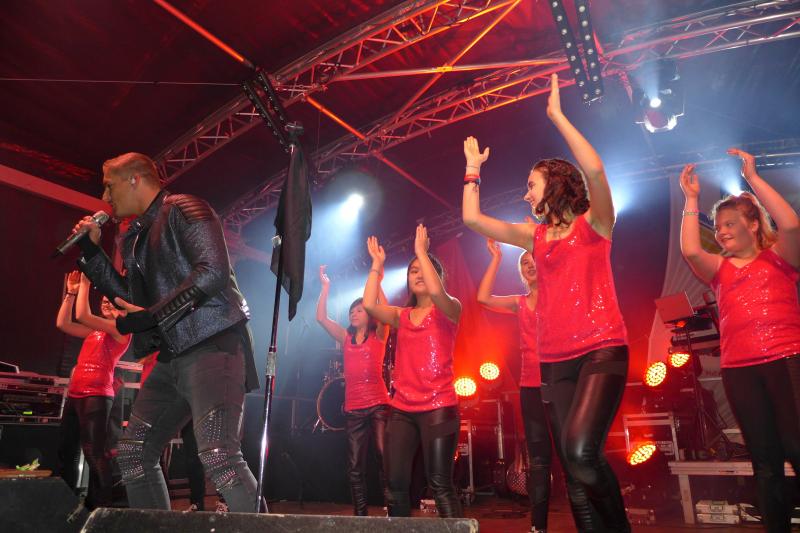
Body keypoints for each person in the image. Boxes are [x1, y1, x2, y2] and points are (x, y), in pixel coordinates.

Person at [462, 73, 630, 531]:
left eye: (531, 184)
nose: (526, 193)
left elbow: (596, 172)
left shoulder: (595, 224)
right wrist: (473, 169)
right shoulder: (533, 237)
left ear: (555, 184)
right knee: (573, 468)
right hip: (553, 361)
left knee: (580, 450)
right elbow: (472, 218)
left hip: (601, 349)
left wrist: (557, 117)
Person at [72, 152, 260, 512]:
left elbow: (213, 271)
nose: (105, 198)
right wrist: (91, 252)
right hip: (174, 354)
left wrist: (152, 316)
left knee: (218, 453)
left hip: (213, 342)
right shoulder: (137, 238)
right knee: (134, 452)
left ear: (134, 179)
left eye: (109, 186)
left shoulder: (184, 208)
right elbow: (131, 300)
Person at [679, 150, 800, 532]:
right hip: (739, 370)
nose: (722, 232)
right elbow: (690, 250)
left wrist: (754, 179)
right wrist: (691, 199)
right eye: (718, 227)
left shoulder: (780, 256)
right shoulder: (720, 269)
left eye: (730, 223)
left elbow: (791, 225)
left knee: (797, 448)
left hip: (785, 359)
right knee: (764, 461)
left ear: (754, 224)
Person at [362, 225, 464, 518]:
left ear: (437, 276)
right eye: (413, 271)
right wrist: (377, 266)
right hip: (402, 409)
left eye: (424, 269)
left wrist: (421, 252)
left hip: (439, 407)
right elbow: (369, 304)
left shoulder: (450, 309)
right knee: (394, 485)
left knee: (440, 484)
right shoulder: (401, 316)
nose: (417, 274)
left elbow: (437, 293)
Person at [477, 239, 551, 533]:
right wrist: (496, 259)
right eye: (524, 263)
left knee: (572, 454)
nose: (530, 265)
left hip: (560, 382)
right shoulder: (519, 303)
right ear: (521, 273)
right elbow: (483, 297)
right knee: (538, 460)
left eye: (533, 260)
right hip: (530, 386)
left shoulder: (559, 296)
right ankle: (538, 527)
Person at [315, 264, 391, 515]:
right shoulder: (345, 337)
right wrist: (325, 287)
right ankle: (361, 516)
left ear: (369, 313)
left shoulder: (380, 333)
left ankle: (393, 510)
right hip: (354, 408)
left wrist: (378, 280)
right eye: (351, 311)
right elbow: (321, 318)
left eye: (359, 310)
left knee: (384, 457)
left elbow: (386, 310)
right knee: (355, 466)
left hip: (379, 404)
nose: (354, 313)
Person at [56, 271, 131, 509]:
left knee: (93, 453)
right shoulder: (95, 330)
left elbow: (82, 315)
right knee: (66, 449)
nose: (106, 303)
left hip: (96, 395)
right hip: (76, 393)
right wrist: (71, 293)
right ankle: (67, 502)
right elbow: (63, 323)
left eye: (111, 300)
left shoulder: (121, 329)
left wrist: (86, 283)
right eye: (104, 300)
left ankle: (100, 506)